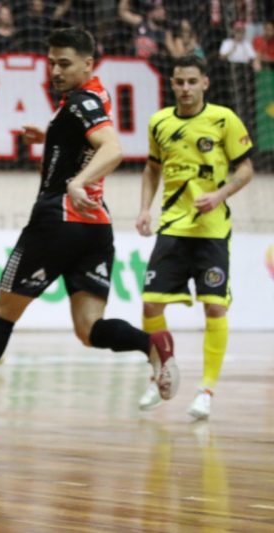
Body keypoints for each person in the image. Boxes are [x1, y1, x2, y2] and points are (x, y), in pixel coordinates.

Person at [0, 28, 179, 416]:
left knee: (3, 313)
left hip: (57, 220)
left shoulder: (81, 100)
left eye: (65, 63)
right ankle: (152, 344)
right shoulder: (89, 98)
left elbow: (113, 148)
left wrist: (77, 181)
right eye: (52, 62)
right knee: (89, 328)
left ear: (88, 64)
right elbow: (86, 138)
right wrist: (51, 136)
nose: (55, 70)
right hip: (96, 228)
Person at [135, 54, 254, 420]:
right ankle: (162, 374)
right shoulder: (160, 122)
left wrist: (219, 196)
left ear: (204, 82)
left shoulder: (223, 119)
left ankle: (206, 390)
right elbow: (151, 170)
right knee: (151, 304)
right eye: (178, 82)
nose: (185, 88)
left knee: (214, 307)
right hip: (173, 228)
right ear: (171, 84)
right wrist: (144, 209)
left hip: (212, 231)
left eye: (191, 81)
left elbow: (246, 169)